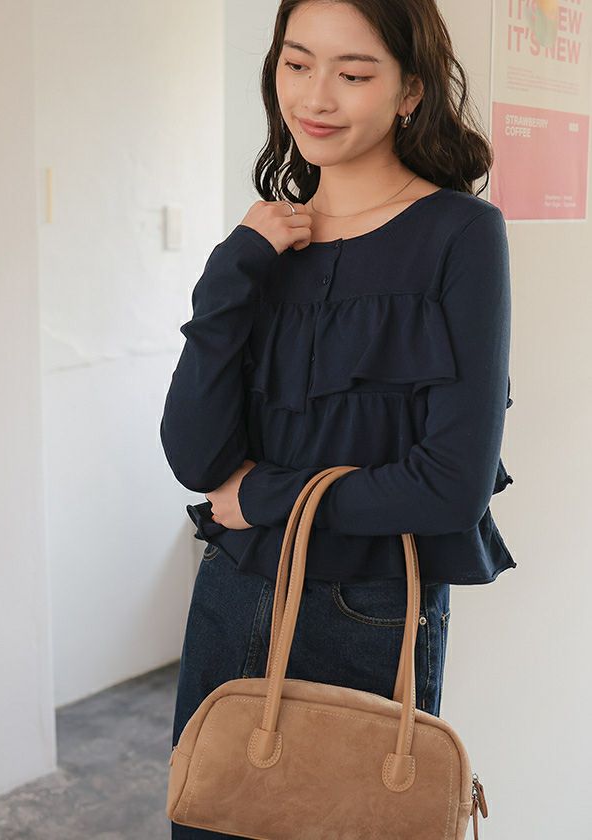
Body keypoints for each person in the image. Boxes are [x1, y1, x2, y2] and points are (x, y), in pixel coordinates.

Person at [160, 1, 515, 837]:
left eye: (352, 74)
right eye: (296, 63)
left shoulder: (460, 234)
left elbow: (449, 488)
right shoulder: (264, 243)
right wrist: (234, 268)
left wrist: (264, 497)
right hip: (231, 592)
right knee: (205, 819)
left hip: (369, 609)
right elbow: (196, 459)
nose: (315, 96)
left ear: (410, 92)